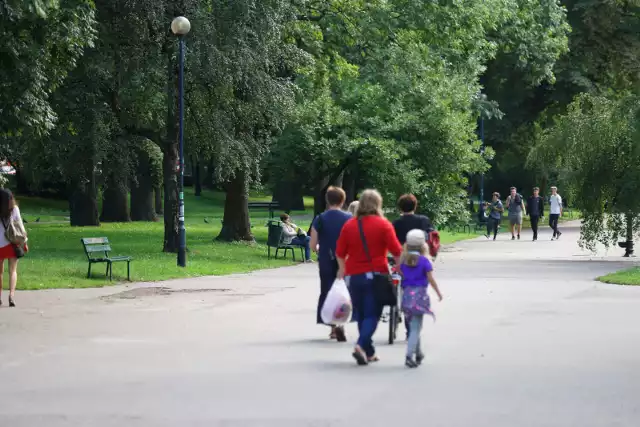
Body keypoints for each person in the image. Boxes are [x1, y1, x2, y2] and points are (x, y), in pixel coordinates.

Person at [336, 189, 402, 365]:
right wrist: (400, 268)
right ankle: (359, 345)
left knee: (362, 313)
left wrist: (342, 270)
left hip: (353, 277)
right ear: (378, 204)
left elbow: (340, 252)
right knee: (372, 314)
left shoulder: (350, 225)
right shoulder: (383, 225)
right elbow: (397, 251)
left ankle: (369, 352)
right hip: (376, 275)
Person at [309, 186, 352, 341]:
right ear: (343, 200)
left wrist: (320, 247)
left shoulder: (320, 219)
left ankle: (333, 327)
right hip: (345, 260)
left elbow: (312, 245)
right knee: (343, 293)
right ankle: (341, 324)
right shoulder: (349, 218)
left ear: (327, 200)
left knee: (328, 291)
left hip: (326, 259)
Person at [399, 229, 443, 368]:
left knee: (413, 326)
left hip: (406, 296)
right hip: (419, 297)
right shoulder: (424, 261)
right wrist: (438, 293)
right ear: (424, 245)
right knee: (416, 328)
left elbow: (400, 274)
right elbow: (431, 279)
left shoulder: (403, 261)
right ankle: (409, 355)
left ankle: (418, 353)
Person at [0, 189, 27, 307]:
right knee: (13, 271)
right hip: (12, 244)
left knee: (0, 273)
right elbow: (20, 227)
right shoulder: (15, 209)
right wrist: (24, 242)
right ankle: (11, 295)